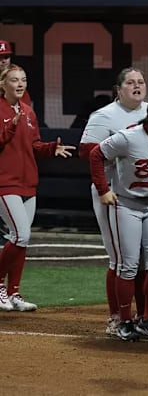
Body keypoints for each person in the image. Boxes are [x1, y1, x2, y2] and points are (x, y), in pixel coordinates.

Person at [88, 94, 148, 342]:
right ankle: (124, 320)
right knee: (128, 265)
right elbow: (95, 155)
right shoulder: (128, 137)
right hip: (127, 205)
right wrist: (102, 189)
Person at [79, 67, 148, 336]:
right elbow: (87, 151)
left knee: (144, 259)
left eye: (141, 82)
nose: (136, 86)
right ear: (118, 89)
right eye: (130, 82)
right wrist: (119, 150)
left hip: (145, 194)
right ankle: (117, 316)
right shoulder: (105, 115)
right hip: (110, 192)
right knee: (120, 258)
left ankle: (144, 317)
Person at [0, 65, 75, 312]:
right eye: (14, 80)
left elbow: (34, 146)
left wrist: (51, 148)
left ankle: (14, 293)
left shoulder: (29, 112)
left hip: (28, 182)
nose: (20, 84)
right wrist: (11, 124)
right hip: (5, 182)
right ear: (3, 84)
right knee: (21, 235)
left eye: (23, 79)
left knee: (21, 240)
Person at [0, 40, 31, 106]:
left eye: (6, 57)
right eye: (0, 58)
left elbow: (25, 108)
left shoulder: (17, 77)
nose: (3, 61)